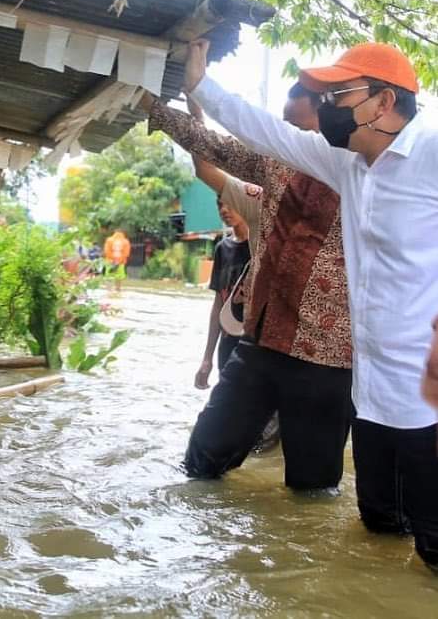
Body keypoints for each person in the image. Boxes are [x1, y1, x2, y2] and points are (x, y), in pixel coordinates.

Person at [184, 39, 438, 571]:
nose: (325, 108)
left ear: (384, 102)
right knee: (379, 535)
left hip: (426, 402)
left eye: (337, 95)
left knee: (432, 547)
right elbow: (265, 131)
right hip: (370, 396)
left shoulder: (431, 153)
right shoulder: (345, 164)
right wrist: (200, 85)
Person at [141, 81, 352, 492]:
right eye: (285, 125)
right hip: (260, 342)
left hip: (326, 356)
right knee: (201, 459)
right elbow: (212, 150)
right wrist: (156, 104)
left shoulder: (364, 175)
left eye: (297, 125)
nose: (288, 134)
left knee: (313, 490)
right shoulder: (273, 167)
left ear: (327, 119)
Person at [198, 201, 250, 389]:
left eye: (230, 203)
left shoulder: (261, 246)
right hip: (228, 344)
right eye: (220, 205)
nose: (224, 210)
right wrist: (207, 358)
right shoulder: (222, 249)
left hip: (255, 346)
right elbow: (218, 304)